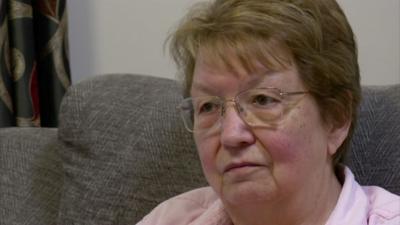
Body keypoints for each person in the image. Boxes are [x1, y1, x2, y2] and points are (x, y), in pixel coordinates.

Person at [137, 0, 400, 224]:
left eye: (263, 100)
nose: (230, 135)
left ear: (336, 119)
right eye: (209, 106)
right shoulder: (172, 218)